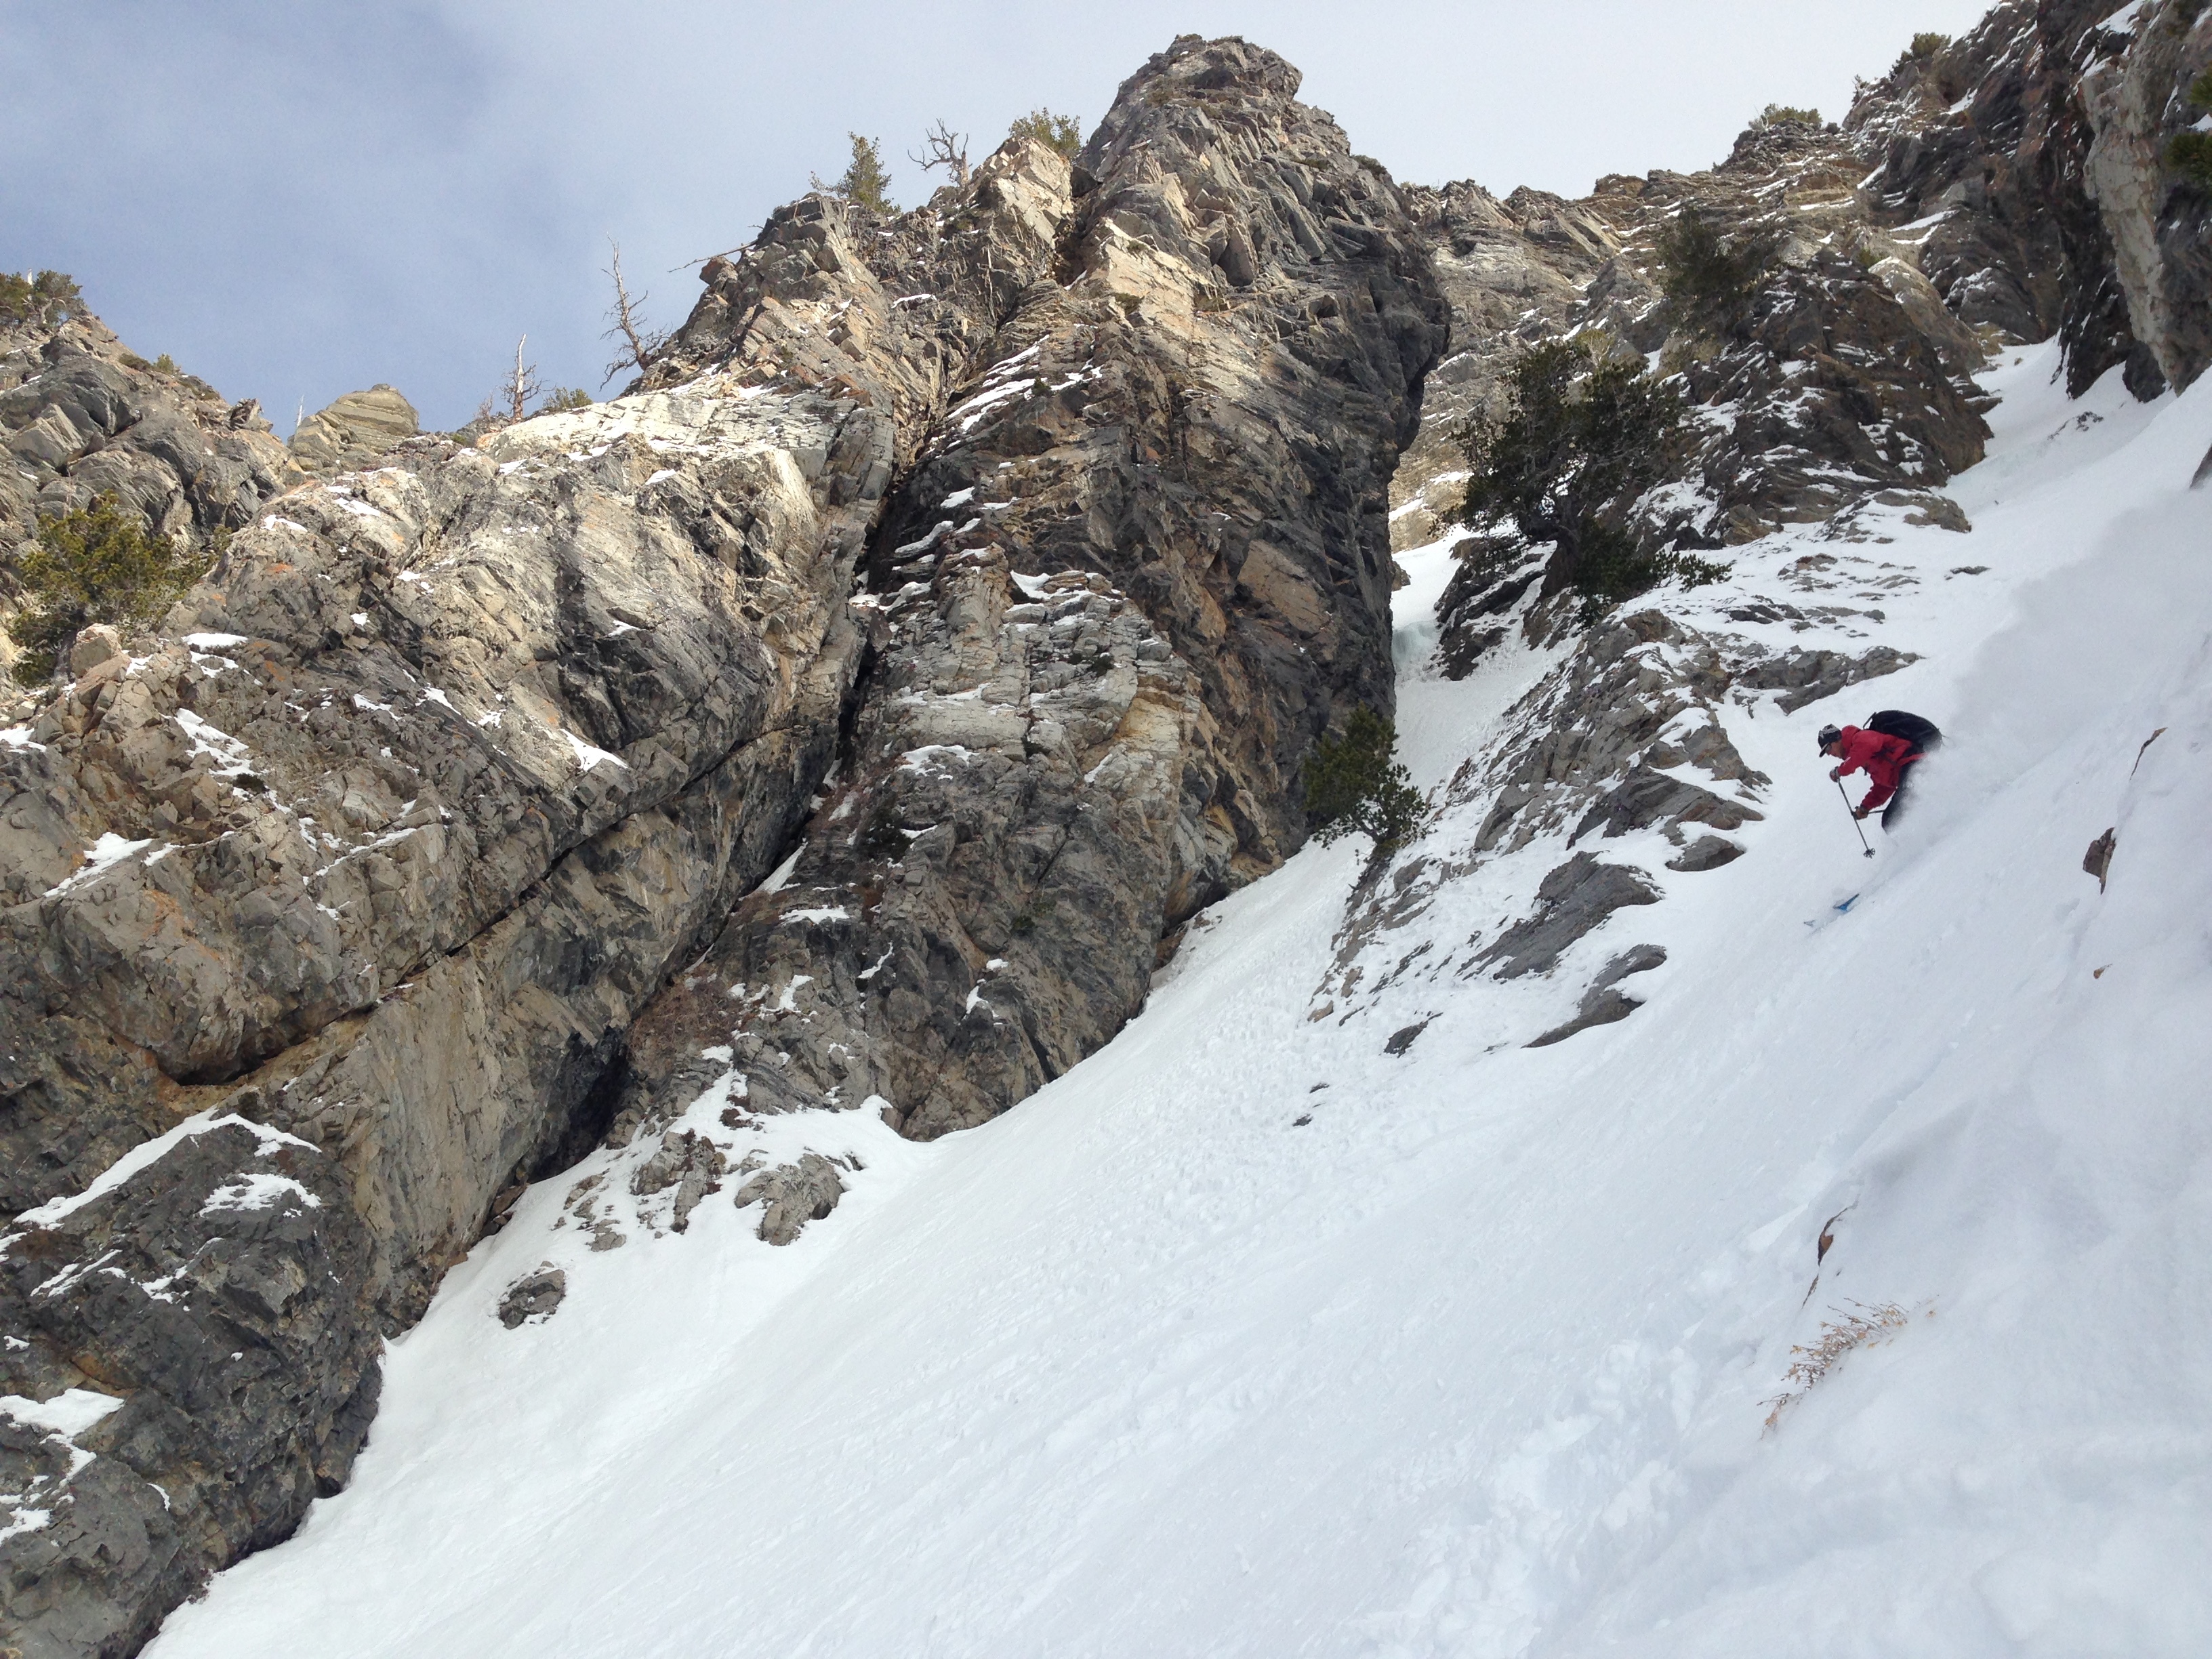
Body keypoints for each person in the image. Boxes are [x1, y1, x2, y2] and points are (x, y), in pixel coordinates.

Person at [1818, 720, 1927, 830]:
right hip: (1906, 775)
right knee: (1889, 822)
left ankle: (1937, 838)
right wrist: (1865, 807)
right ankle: (1920, 843)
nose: (1830, 754)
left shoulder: (1861, 738)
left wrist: (1839, 771)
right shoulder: (1863, 759)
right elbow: (1884, 786)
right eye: (1827, 753)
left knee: (1908, 804)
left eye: (1828, 748)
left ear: (1837, 739)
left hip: (1914, 764)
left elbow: (1857, 757)